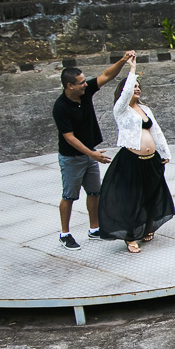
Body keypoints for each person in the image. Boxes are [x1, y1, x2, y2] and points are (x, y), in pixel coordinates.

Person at [52, 51, 135, 251]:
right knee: (69, 196)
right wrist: (92, 155)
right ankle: (65, 234)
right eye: (80, 82)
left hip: (90, 153)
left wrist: (123, 61)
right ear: (69, 85)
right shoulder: (60, 107)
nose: (85, 84)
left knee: (94, 192)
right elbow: (69, 138)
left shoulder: (85, 91)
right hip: (72, 158)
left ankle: (94, 228)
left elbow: (107, 76)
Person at [97, 55, 174, 253]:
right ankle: (130, 237)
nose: (137, 88)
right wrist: (132, 68)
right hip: (131, 160)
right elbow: (124, 96)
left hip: (151, 159)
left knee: (151, 195)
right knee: (131, 199)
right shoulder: (120, 110)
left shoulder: (144, 109)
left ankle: (148, 228)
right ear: (125, 90)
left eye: (139, 86)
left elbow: (156, 131)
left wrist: (164, 152)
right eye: (134, 86)